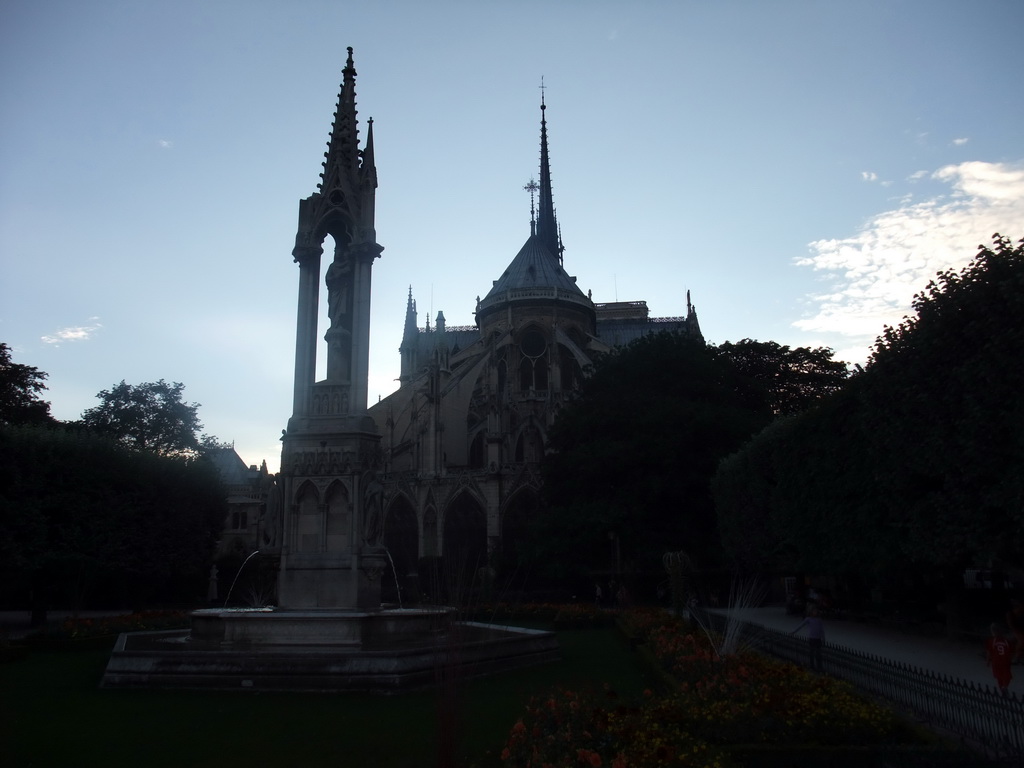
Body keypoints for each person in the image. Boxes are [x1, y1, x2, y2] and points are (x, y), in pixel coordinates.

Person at [791, 607, 825, 671]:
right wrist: (794, 631)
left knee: (819, 654)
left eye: (816, 611)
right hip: (812, 638)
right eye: (814, 611)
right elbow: (800, 625)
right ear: (811, 612)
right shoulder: (808, 619)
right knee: (811, 653)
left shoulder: (819, 620)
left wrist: (823, 638)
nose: (815, 612)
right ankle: (812, 666)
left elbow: (822, 630)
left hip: (818, 639)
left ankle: (819, 666)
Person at [986, 623, 1013, 696]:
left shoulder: (991, 641)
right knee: (1007, 676)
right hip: (1005, 661)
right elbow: (1010, 651)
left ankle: (1002, 689)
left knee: (999, 676)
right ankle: (1004, 688)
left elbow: (989, 652)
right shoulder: (1006, 641)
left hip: (996, 661)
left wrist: (988, 661)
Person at [1005, 600, 1024, 664]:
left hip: (1019, 631)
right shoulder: (1010, 614)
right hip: (1012, 631)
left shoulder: (1022, 614)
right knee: (1021, 640)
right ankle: (1016, 657)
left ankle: (1018, 656)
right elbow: (1012, 627)